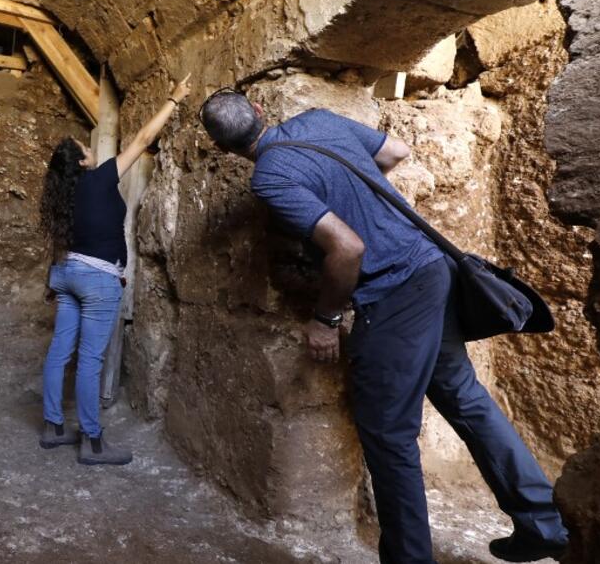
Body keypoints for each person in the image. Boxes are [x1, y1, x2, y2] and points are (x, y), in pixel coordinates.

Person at [198, 89, 569, 563]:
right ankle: (544, 522)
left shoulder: (270, 176)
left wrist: (325, 320)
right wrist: (365, 206)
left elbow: (347, 250)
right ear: (259, 110)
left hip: (394, 293)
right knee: (466, 399)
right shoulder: (318, 120)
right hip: (434, 272)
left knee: (389, 434)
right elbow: (396, 150)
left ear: (221, 148)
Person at [37, 74, 192, 466]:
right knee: (90, 360)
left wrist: (52, 281)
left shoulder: (64, 198)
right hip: (96, 281)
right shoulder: (100, 178)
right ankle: (92, 441)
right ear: (81, 162)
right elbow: (141, 140)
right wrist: (173, 99)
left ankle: (54, 427)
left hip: (68, 274)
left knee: (59, 352)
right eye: (82, 147)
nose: (88, 147)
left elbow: (59, 244)